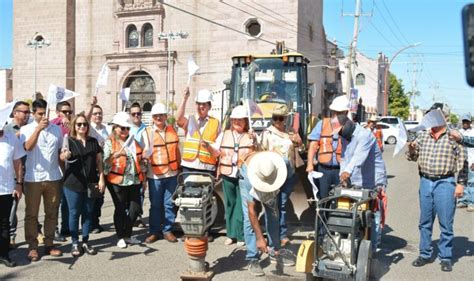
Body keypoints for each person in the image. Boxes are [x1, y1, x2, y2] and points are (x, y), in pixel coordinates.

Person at [406, 103, 467, 272]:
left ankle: (445, 257)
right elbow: (412, 157)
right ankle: (424, 254)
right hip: (425, 181)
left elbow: (463, 162)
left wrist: (460, 184)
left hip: (445, 183)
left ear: (444, 118)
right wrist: (411, 149)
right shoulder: (423, 136)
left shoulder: (453, 137)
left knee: (446, 222)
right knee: (425, 221)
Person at [329, 95, 388, 251]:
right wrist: (343, 174)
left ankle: (372, 250)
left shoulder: (365, 135)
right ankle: (349, 246)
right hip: (355, 180)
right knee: (350, 213)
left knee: (371, 216)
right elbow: (344, 158)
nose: (339, 135)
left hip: (372, 181)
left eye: (340, 132)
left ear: (347, 122)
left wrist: (347, 171)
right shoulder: (344, 136)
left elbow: (358, 158)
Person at [20, 99, 64, 261]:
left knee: (51, 213)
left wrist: (64, 168)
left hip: (53, 178)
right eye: (39, 114)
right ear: (33, 114)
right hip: (33, 178)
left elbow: (59, 152)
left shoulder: (57, 130)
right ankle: (32, 247)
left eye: (45, 113)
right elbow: (27, 147)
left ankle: (49, 243)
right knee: (31, 214)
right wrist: (38, 129)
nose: (43, 116)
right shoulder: (26, 129)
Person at [176, 88, 221, 241]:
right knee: (188, 199)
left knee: (205, 200)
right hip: (189, 165)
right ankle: (189, 230)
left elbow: (217, 151)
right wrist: (184, 98)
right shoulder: (191, 120)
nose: (201, 107)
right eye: (199, 104)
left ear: (209, 106)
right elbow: (178, 119)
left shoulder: (216, 123)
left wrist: (207, 146)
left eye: (204, 105)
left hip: (206, 168)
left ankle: (205, 231)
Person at [239, 151, 293, 276]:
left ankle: (275, 250)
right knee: (249, 219)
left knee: (273, 214)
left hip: (270, 177)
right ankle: (253, 258)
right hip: (248, 176)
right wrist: (260, 238)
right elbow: (252, 211)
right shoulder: (249, 175)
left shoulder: (281, 163)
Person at [61, 114, 105, 257]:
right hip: (72, 184)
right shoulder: (69, 141)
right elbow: (62, 155)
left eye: (84, 124)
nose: (82, 127)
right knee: (74, 213)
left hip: (91, 183)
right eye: (79, 124)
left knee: (88, 213)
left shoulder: (93, 141)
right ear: (74, 126)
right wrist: (65, 155)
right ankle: (74, 242)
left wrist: (101, 178)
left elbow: (99, 161)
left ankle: (85, 241)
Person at [260, 104, 302, 247]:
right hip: (273, 175)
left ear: (285, 118)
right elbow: (261, 151)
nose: (277, 121)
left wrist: (298, 141)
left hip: (289, 173)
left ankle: (282, 234)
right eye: (274, 118)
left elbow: (301, 148)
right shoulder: (267, 133)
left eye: (280, 118)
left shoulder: (291, 132)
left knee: (282, 204)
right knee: (272, 206)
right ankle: (272, 235)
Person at [103, 112, 144, 248]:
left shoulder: (133, 141)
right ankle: (121, 235)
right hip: (117, 181)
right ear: (115, 128)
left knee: (135, 208)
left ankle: (127, 233)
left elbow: (140, 157)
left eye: (128, 128)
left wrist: (145, 160)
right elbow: (104, 163)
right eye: (122, 128)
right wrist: (113, 156)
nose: (125, 131)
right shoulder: (110, 142)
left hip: (134, 180)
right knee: (120, 209)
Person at [142, 103, 180, 244]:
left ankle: (167, 230)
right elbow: (144, 152)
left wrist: (179, 168)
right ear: (152, 117)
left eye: (161, 115)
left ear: (165, 116)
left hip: (172, 173)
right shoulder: (147, 132)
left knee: (170, 204)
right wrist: (145, 156)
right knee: (156, 205)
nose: (159, 117)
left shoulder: (172, 130)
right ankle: (154, 231)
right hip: (155, 175)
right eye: (156, 116)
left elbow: (176, 150)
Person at [218, 105, 256, 246]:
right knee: (230, 204)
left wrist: (255, 139)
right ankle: (231, 234)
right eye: (235, 120)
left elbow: (258, 151)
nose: (237, 122)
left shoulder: (251, 136)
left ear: (246, 121)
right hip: (227, 173)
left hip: (243, 175)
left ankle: (241, 236)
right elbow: (216, 150)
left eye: (240, 120)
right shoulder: (224, 134)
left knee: (242, 205)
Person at [4, 101, 30, 249]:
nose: (27, 115)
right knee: (11, 210)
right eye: (24, 112)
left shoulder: (31, 128)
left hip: (31, 174)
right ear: (15, 113)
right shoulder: (7, 130)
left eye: (28, 112)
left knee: (32, 207)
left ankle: (37, 233)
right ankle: (11, 237)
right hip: (14, 176)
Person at [0, 122, 25, 267]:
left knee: (4, 223)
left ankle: (4, 254)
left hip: (6, 189)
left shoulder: (11, 138)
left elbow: (18, 163)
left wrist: (19, 184)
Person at [51, 100, 74, 242]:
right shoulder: (54, 125)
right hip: (56, 170)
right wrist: (61, 120)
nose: (67, 114)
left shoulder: (73, 125)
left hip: (70, 169)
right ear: (58, 112)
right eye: (64, 112)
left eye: (69, 112)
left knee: (67, 201)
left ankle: (66, 228)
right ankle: (54, 230)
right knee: (55, 203)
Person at [306, 109, 342, 200]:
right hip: (323, 169)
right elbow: (313, 145)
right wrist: (309, 164)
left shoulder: (348, 125)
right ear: (333, 112)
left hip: (341, 170)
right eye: (336, 112)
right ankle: (322, 213)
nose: (337, 115)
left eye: (341, 112)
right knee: (323, 198)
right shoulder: (322, 124)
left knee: (340, 199)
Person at [87, 96, 110, 233]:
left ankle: (96, 221)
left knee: (100, 197)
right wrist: (91, 106)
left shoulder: (106, 128)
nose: (98, 116)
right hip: (93, 167)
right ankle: (90, 223)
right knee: (92, 198)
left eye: (100, 113)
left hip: (105, 166)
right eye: (95, 114)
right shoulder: (89, 128)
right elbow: (85, 117)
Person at [448, 114, 474, 212]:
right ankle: (463, 200)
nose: (465, 123)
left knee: (471, 182)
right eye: (464, 121)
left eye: (467, 122)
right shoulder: (459, 132)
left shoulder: (473, 132)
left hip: (471, 160)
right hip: (461, 162)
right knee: (462, 182)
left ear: (470, 122)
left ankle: (472, 202)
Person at [129, 102, 147, 228]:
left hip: (141, 164)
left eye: (138, 113)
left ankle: (138, 216)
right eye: (133, 114)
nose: (136, 116)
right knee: (128, 191)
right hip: (128, 165)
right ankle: (129, 215)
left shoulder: (146, 129)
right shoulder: (126, 128)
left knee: (141, 191)